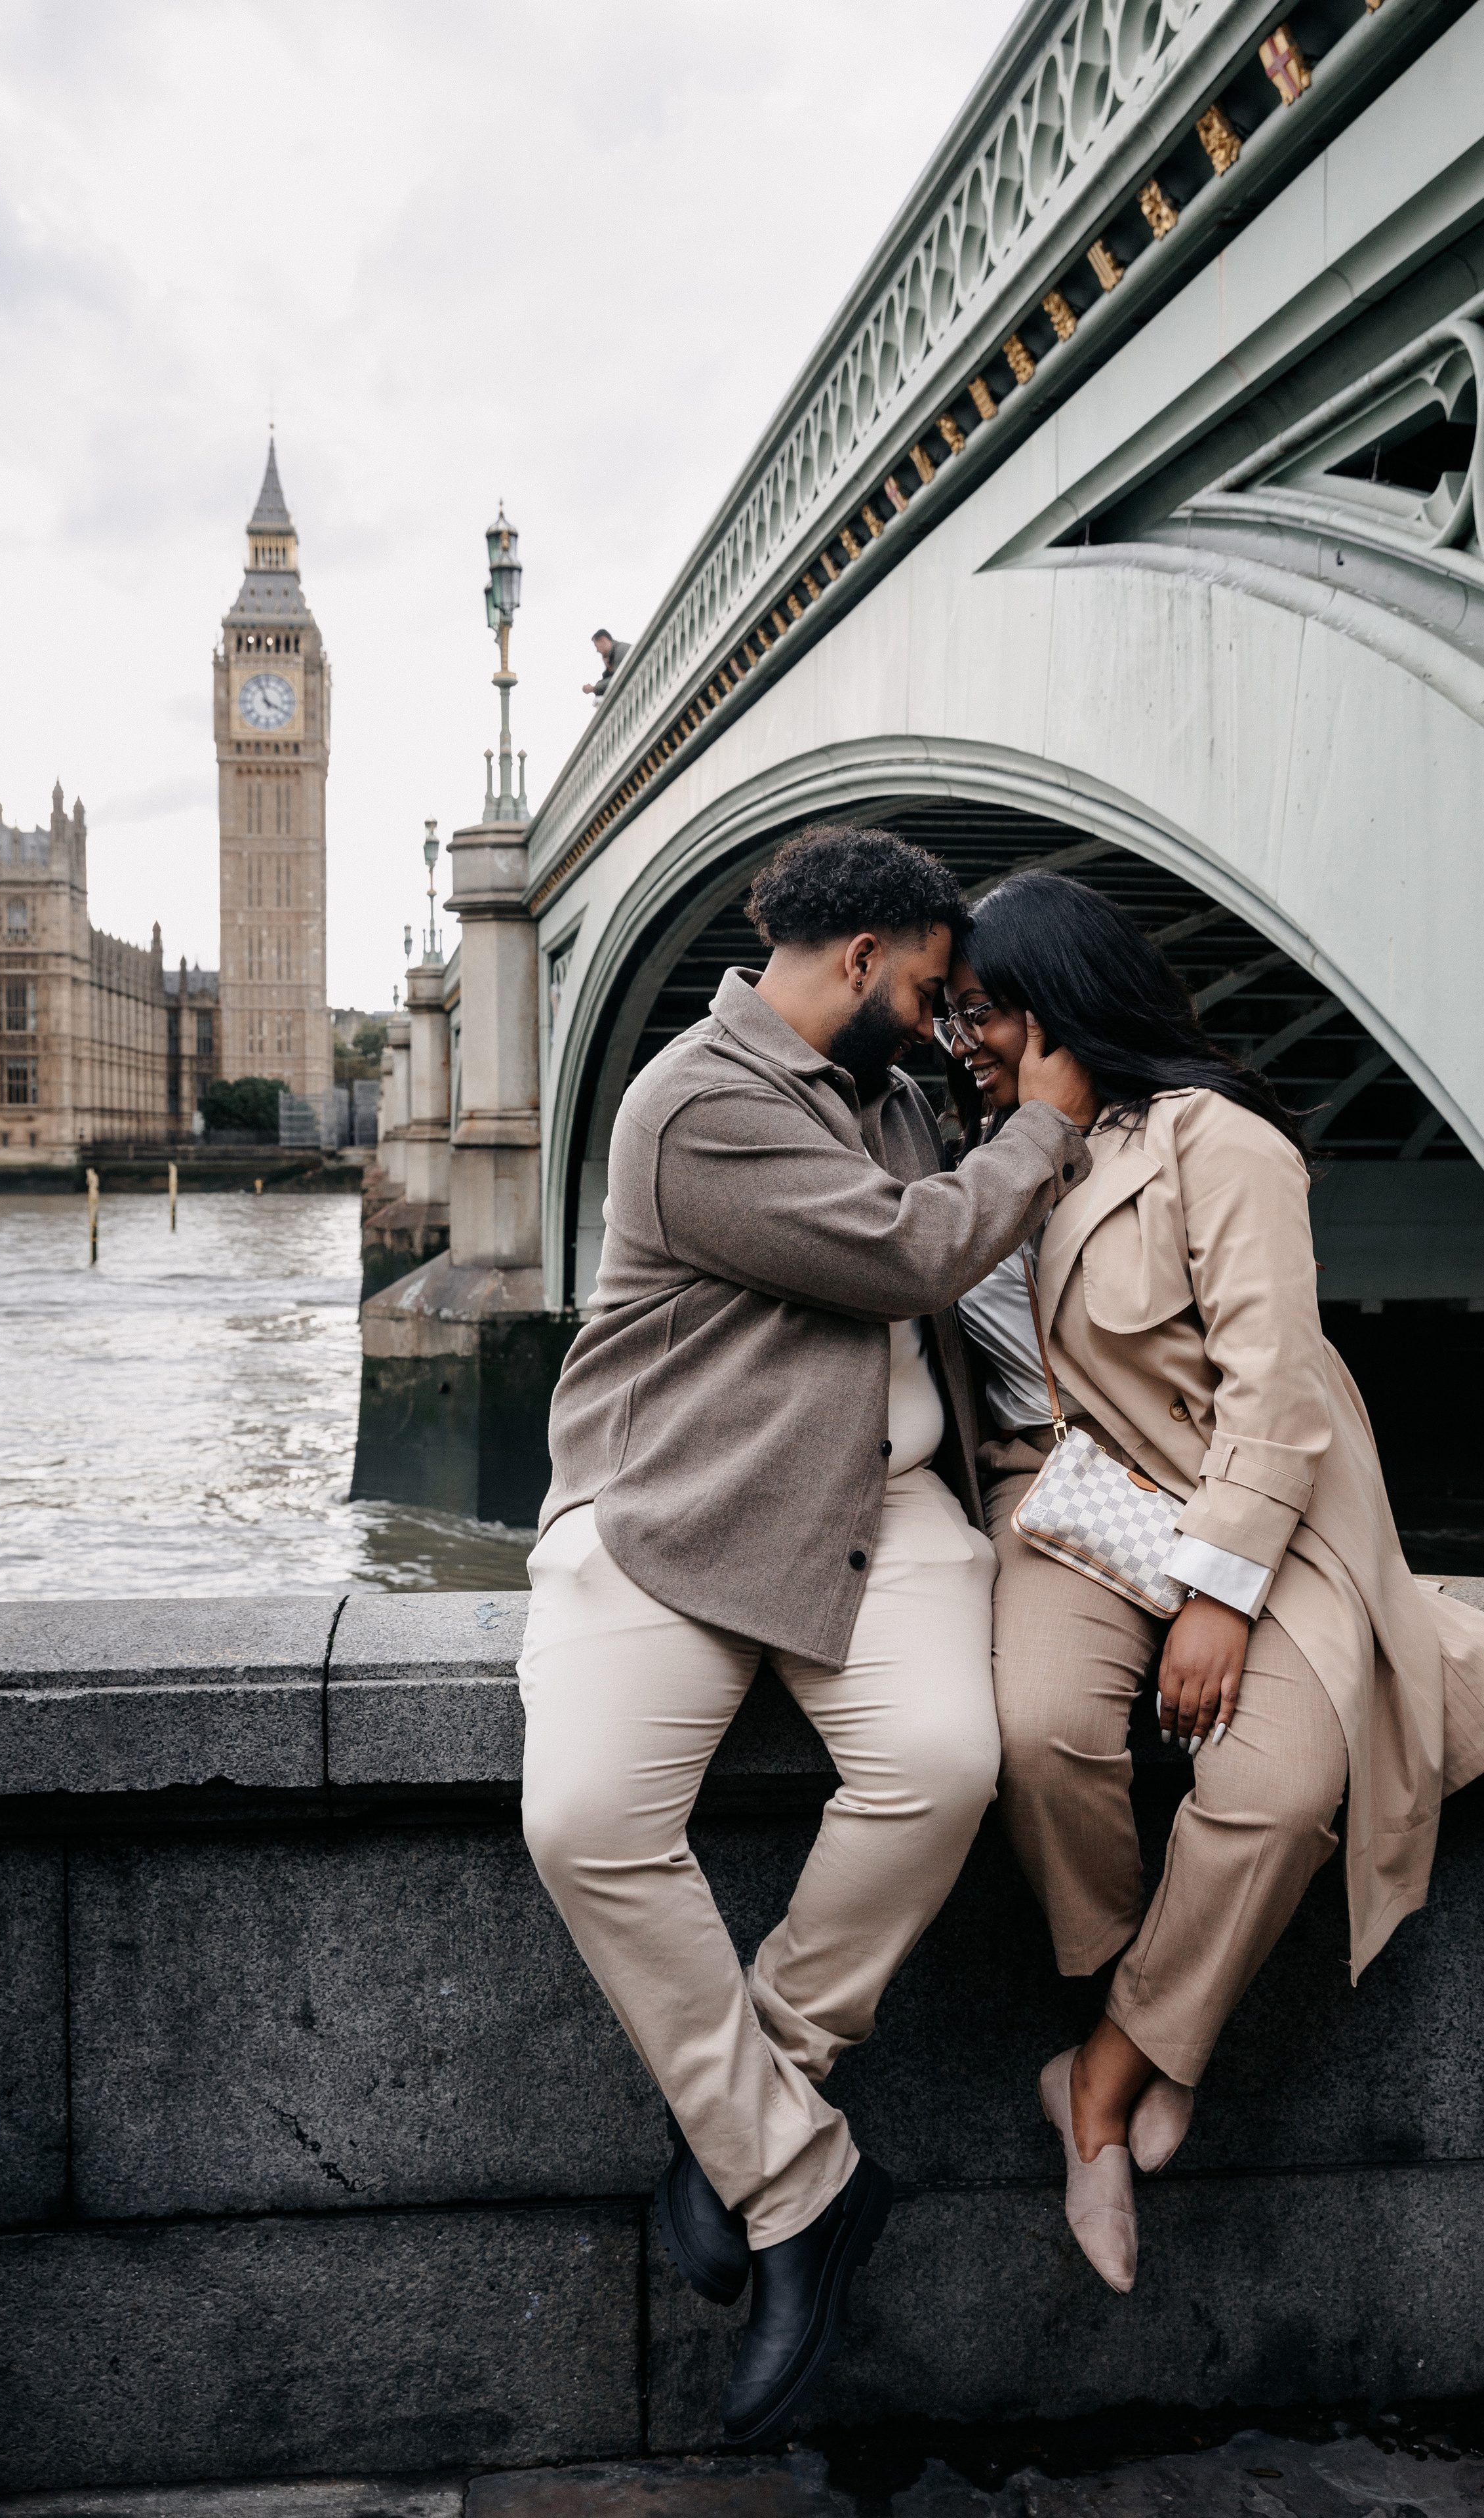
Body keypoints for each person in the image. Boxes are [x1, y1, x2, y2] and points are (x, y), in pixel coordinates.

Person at [517, 826, 1094, 2445]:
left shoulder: (902, 1094)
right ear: (856, 962)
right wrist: (1044, 1126)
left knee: (940, 1762)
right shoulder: (693, 1099)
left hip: (884, 1499)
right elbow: (910, 1248)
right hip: (676, 1509)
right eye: (923, 984)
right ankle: (798, 2180)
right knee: (580, 1818)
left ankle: (737, 2124)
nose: (936, 1016)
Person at [937, 870, 1484, 2294]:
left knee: (1274, 1783)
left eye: (983, 1010)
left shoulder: (1216, 1142)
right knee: (1035, 1736)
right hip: (1057, 1509)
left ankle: (1102, 2077)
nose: (965, 1040)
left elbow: (1273, 1392)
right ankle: (1154, 2019)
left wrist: (1215, 1594)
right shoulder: (963, 1146)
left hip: (1244, 1509)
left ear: (1055, 998)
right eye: (951, 1016)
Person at [583, 628, 629, 698]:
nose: (597, 650)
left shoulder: (620, 651)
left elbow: (618, 680)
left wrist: (594, 688)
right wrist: (609, 670)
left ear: (603, 640)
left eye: (596, 646)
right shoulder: (613, 656)